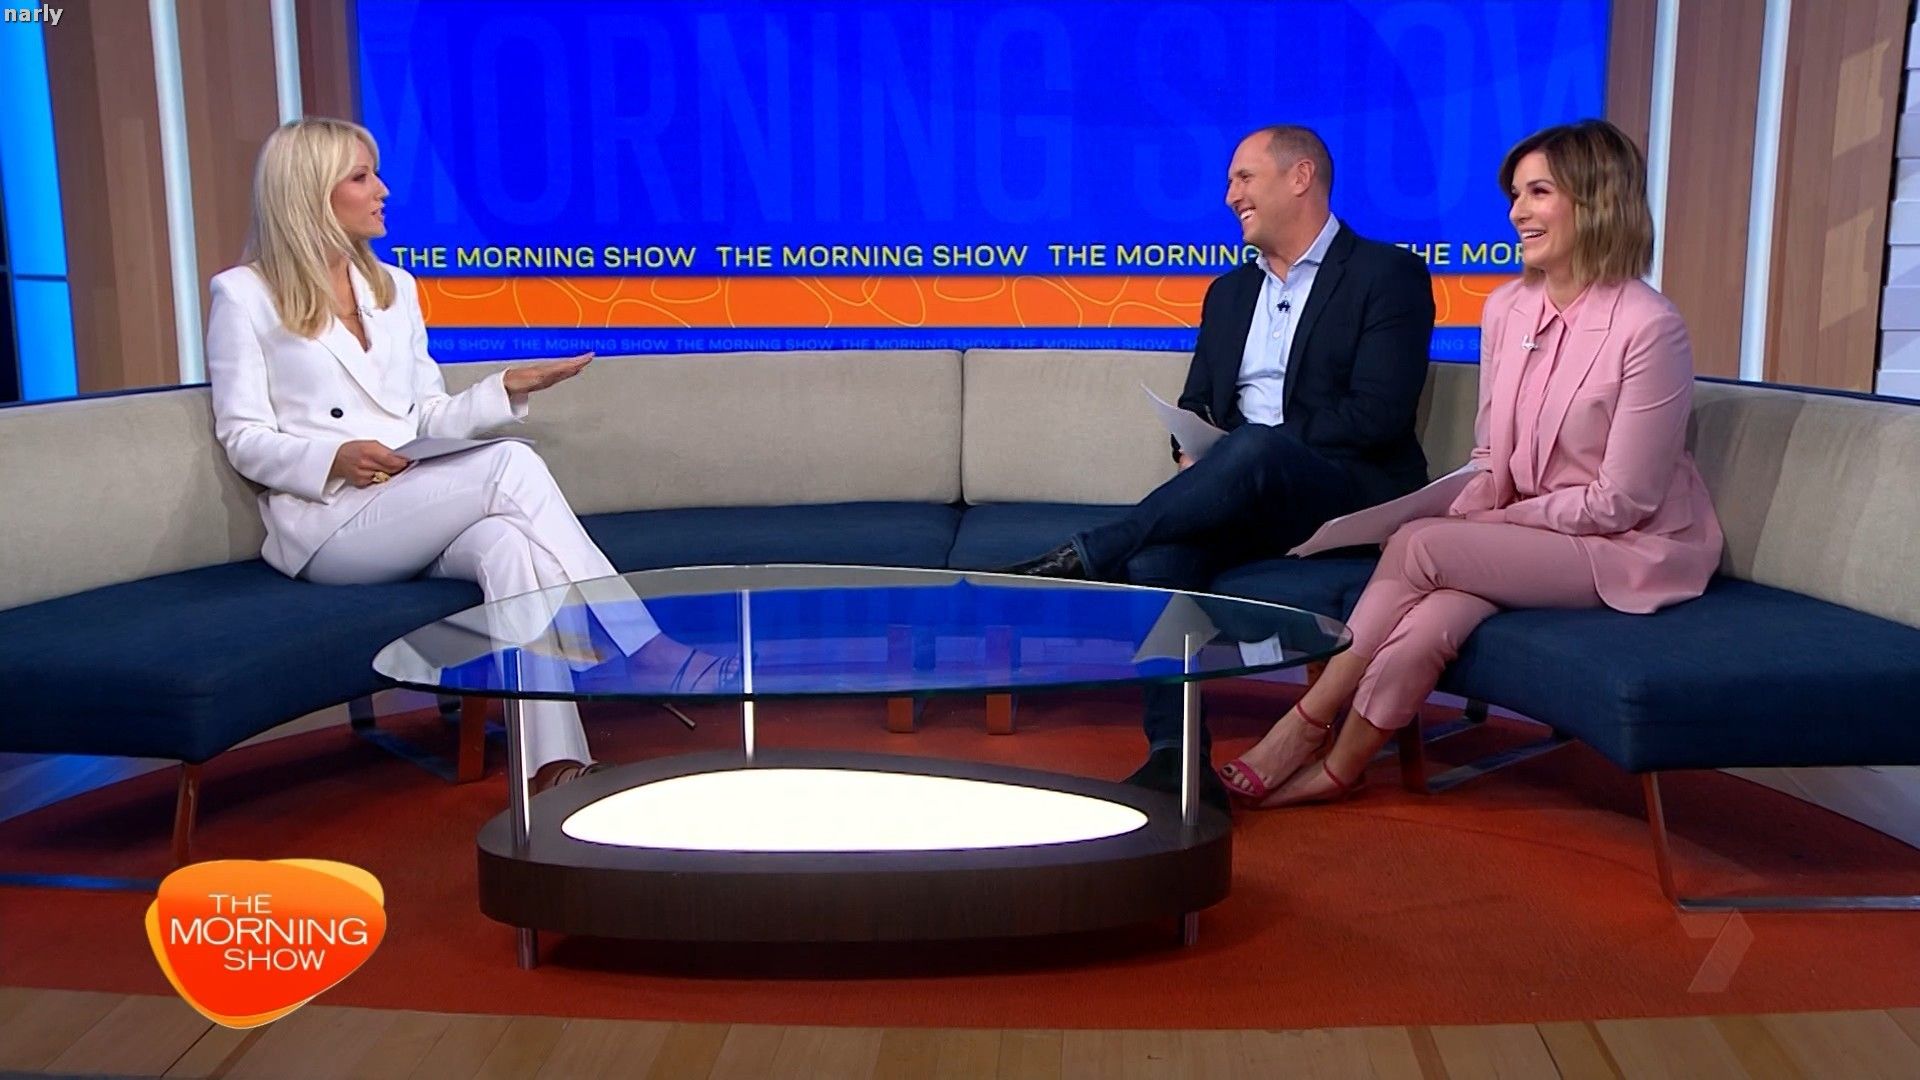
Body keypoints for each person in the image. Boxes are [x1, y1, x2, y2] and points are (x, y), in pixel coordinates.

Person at [206, 118, 722, 797]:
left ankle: (551, 767)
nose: (383, 190)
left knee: (510, 546)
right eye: (361, 177)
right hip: (331, 524)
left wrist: (504, 388)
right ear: (310, 193)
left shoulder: (394, 289)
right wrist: (334, 457)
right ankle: (645, 647)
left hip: (409, 502)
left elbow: (425, 416)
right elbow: (242, 436)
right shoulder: (243, 296)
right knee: (510, 465)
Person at [1218, 118, 1725, 807]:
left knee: (1421, 545)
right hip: (1530, 533)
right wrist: (1469, 503)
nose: (1517, 212)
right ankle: (1343, 767)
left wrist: (1494, 522)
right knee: (1431, 620)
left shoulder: (1650, 326)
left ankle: (1303, 724)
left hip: (1623, 547)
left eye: (1539, 193)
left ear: (1597, 200)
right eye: (1515, 195)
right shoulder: (1507, 308)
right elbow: (1491, 458)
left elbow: (1622, 502)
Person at [1002, 125, 1436, 806]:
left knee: (1258, 447)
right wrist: (1194, 446)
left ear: (1300, 177)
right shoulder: (1228, 293)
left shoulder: (1387, 275)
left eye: (1244, 178)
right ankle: (1176, 760)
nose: (1230, 195)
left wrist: (1254, 446)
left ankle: (1092, 552)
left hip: (1343, 493)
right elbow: (1199, 400)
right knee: (1157, 561)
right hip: (1245, 495)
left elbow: (1376, 415)